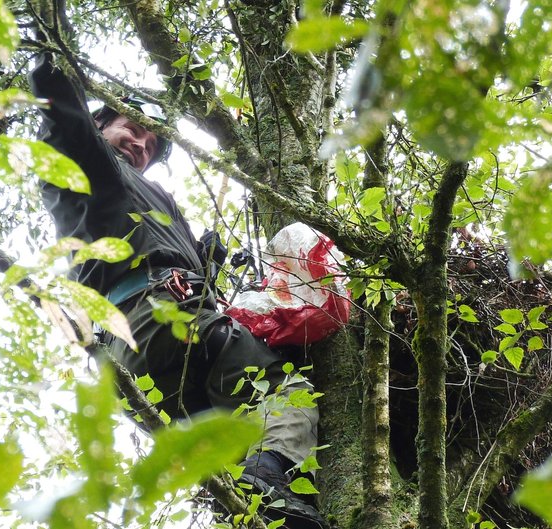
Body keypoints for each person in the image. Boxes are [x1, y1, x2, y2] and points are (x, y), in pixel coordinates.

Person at [29, 26, 325, 529]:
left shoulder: (150, 202)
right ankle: (276, 483)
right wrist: (50, 48)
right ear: (100, 125)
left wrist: (205, 263)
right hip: (160, 318)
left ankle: (259, 503)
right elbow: (64, 113)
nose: (140, 145)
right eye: (132, 129)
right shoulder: (92, 169)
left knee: (231, 447)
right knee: (282, 392)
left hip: (139, 368)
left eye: (150, 142)